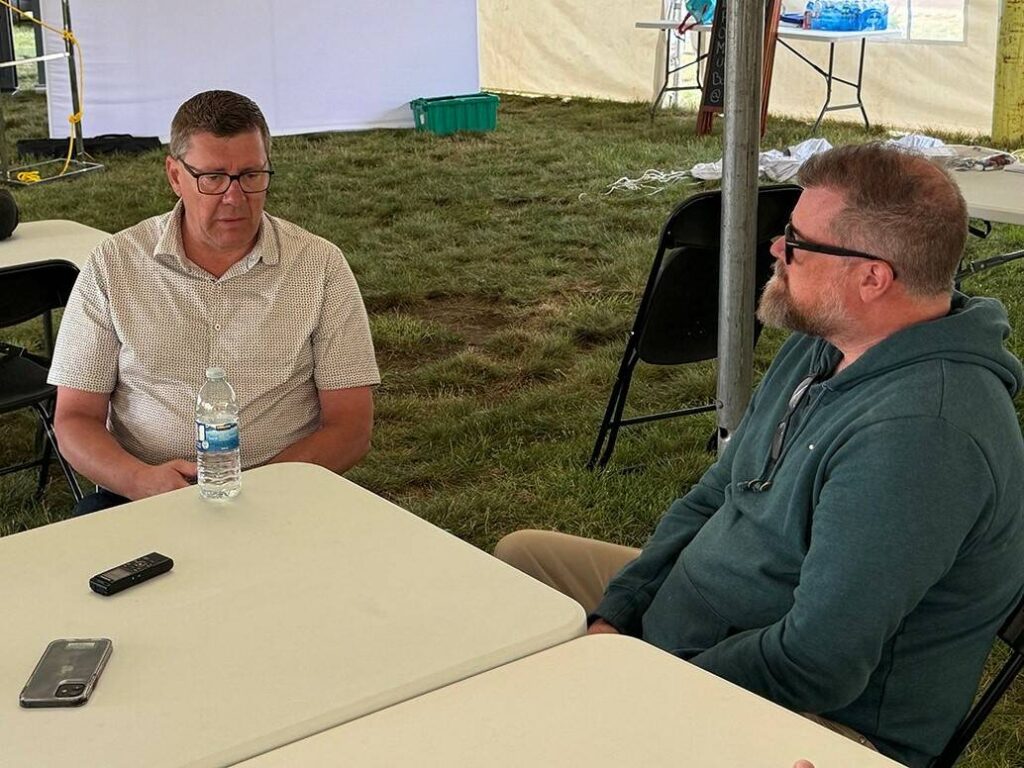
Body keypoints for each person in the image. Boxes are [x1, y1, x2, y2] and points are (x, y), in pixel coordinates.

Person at [496, 143, 1024, 767]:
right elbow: (717, 491)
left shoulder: (922, 439)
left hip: (808, 719)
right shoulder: (829, 341)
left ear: (872, 278)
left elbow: (816, 663)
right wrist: (621, 608)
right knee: (521, 564)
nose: (776, 249)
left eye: (797, 242)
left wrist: (642, 676)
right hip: (694, 624)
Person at [48, 90, 379, 513]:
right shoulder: (115, 264)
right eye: (213, 178)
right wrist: (139, 480)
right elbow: (75, 418)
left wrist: (264, 490)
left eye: (251, 175)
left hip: (287, 489)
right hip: (144, 490)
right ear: (175, 176)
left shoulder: (318, 265)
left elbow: (351, 426)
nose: (234, 197)